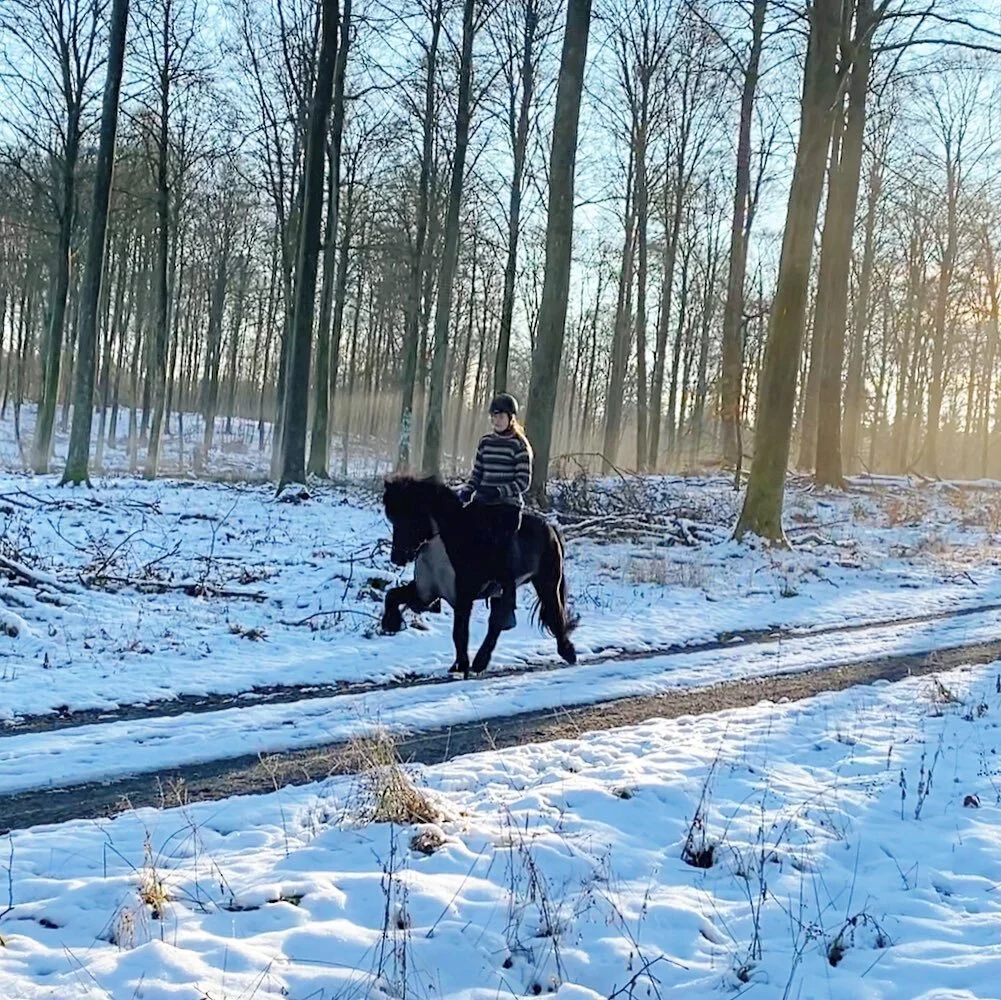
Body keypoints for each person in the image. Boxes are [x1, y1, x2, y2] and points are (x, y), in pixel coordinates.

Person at [456, 393, 532, 630]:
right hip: (482, 502)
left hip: (507, 506)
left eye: (500, 416)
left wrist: (499, 492)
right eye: (493, 416)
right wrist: (467, 492)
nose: (496, 420)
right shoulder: (485, 442)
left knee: (503, 547)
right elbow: (477, 473)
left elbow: (523, 481)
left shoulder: (520, 445)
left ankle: (507, 605)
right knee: (456, 532)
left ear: (511, 418)